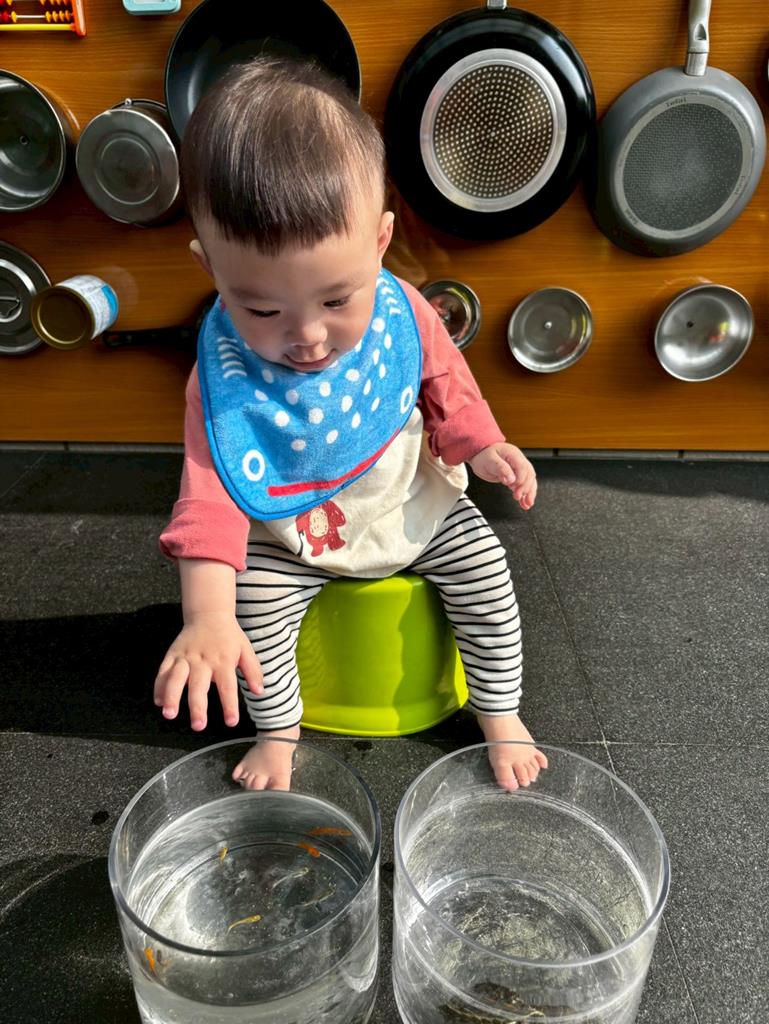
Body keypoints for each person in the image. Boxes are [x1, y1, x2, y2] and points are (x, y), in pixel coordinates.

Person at [154, 56, 548, 793]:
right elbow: (208, 496)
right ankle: (279, 729)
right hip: (293, 532)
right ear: (210, 268)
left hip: (407, 498)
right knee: (252, 607)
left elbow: (443, 380)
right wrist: (207, 616)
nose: (307, 337)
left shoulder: (401, 307)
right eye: (262, 309)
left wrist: (482, 444)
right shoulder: (225, 376)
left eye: (337, 301)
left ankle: (499, 711)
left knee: (486, 572)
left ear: (379, 241)